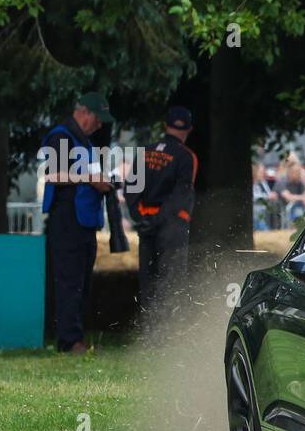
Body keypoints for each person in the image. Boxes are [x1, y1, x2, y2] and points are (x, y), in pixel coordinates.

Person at [40, 91, 115, 353]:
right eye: (97, 119)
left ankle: (76, 337)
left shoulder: (85, 142)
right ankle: (69, 341)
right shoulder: (61, 136)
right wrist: (88, 180)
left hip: (84, 222)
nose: (100, 125)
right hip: (67, 219)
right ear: (84, 112)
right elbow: (52, 175)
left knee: (82, 283)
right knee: (69, 282)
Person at [131, 106, 198, 320]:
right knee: (172, 281)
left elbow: (131, 190)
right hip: (172, 227)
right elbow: (180, 196)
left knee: (147, 280)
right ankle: (168, 332)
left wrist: (140, 218)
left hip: (145, 224)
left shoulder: (144, 152)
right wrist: (159, 220)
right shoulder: (187, 157)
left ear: (165, 126)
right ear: (189, 129)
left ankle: (149, 331)